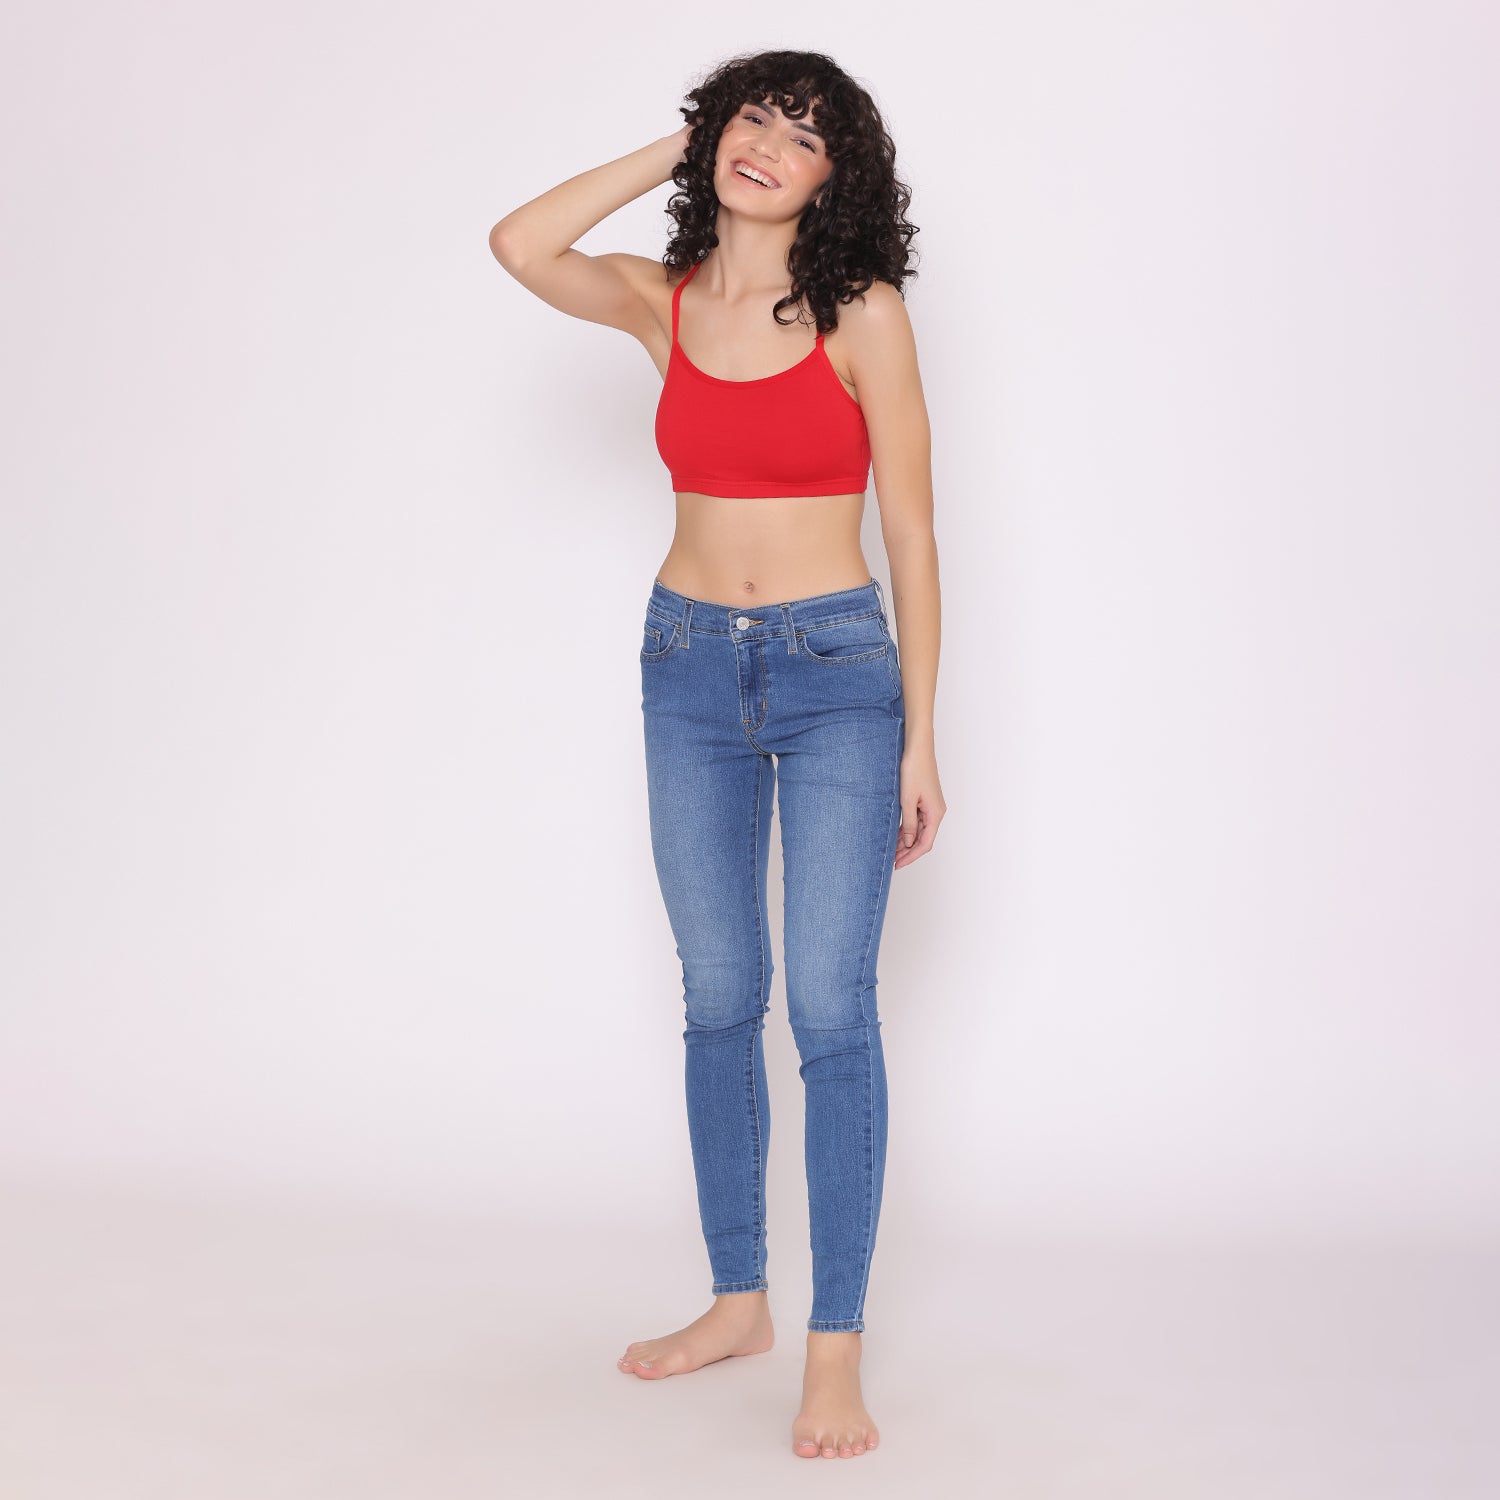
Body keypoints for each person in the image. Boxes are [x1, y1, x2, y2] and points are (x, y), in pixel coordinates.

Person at [489, 49, 945, 1461]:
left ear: (834, 179)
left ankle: (833, 1350)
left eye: (803, 137)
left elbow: (913, 530)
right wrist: (677, 142)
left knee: (830, 1011)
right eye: (753, 119)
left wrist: (924, 734)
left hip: (837, 676)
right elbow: (520, 244)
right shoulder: (662, 301)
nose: (768, 147)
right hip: (686, 668)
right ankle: (739, 1300)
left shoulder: (862, 312)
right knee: (718, 999)